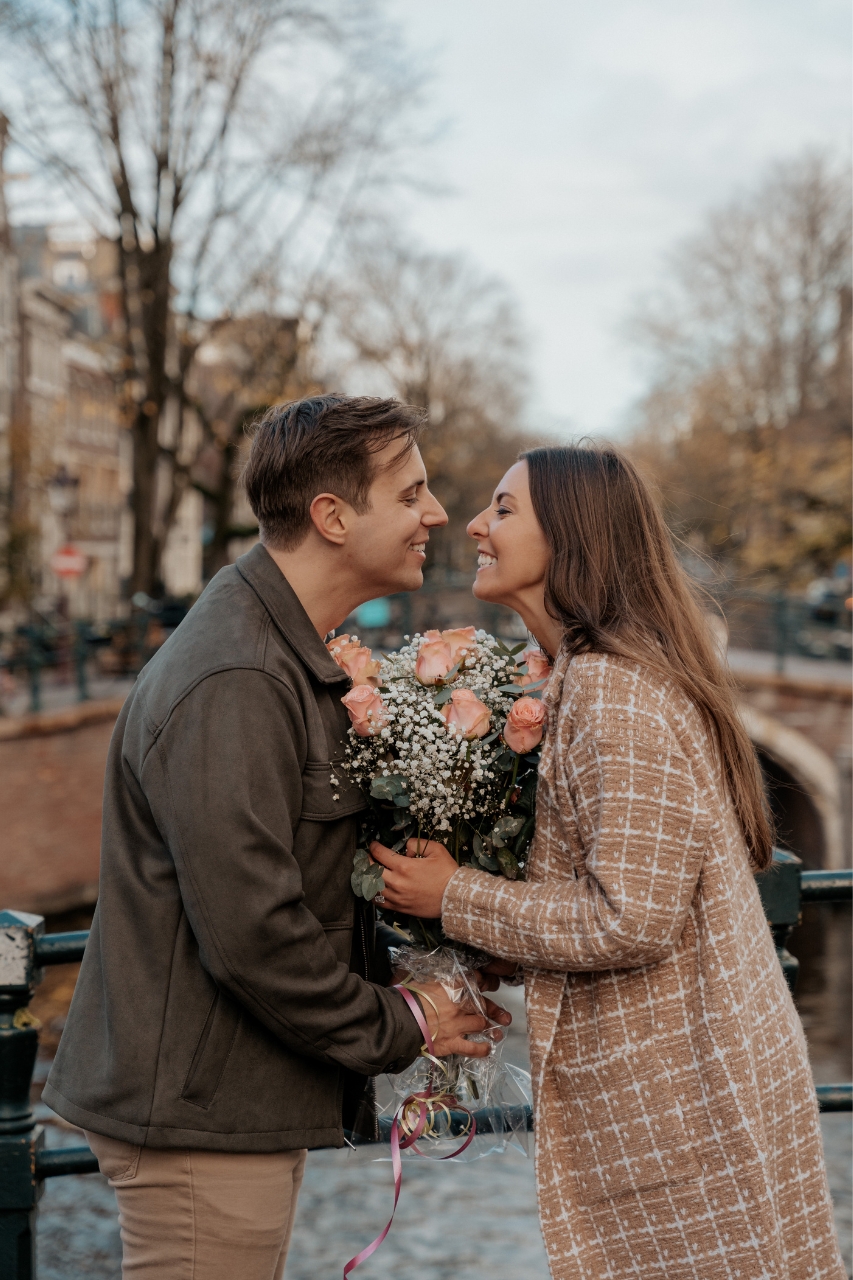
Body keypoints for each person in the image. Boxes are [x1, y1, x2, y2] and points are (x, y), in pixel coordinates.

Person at [44, 395, 509, 1280]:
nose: (437, 515)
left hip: (218, 1101)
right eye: (410, 495)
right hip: (197, 1116)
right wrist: (402, 1019)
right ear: (332, 517)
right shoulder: (237, 676)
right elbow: (252, 929)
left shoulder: (269, 651)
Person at [370, 444, 845, 1280]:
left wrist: (457, 894)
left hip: (683, 1103)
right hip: (687, 1088)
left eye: (504, 509)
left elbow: (633, 917)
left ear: (573, 538)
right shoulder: (595, 675)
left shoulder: (611, 691)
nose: (475, 525)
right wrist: (502, 944)